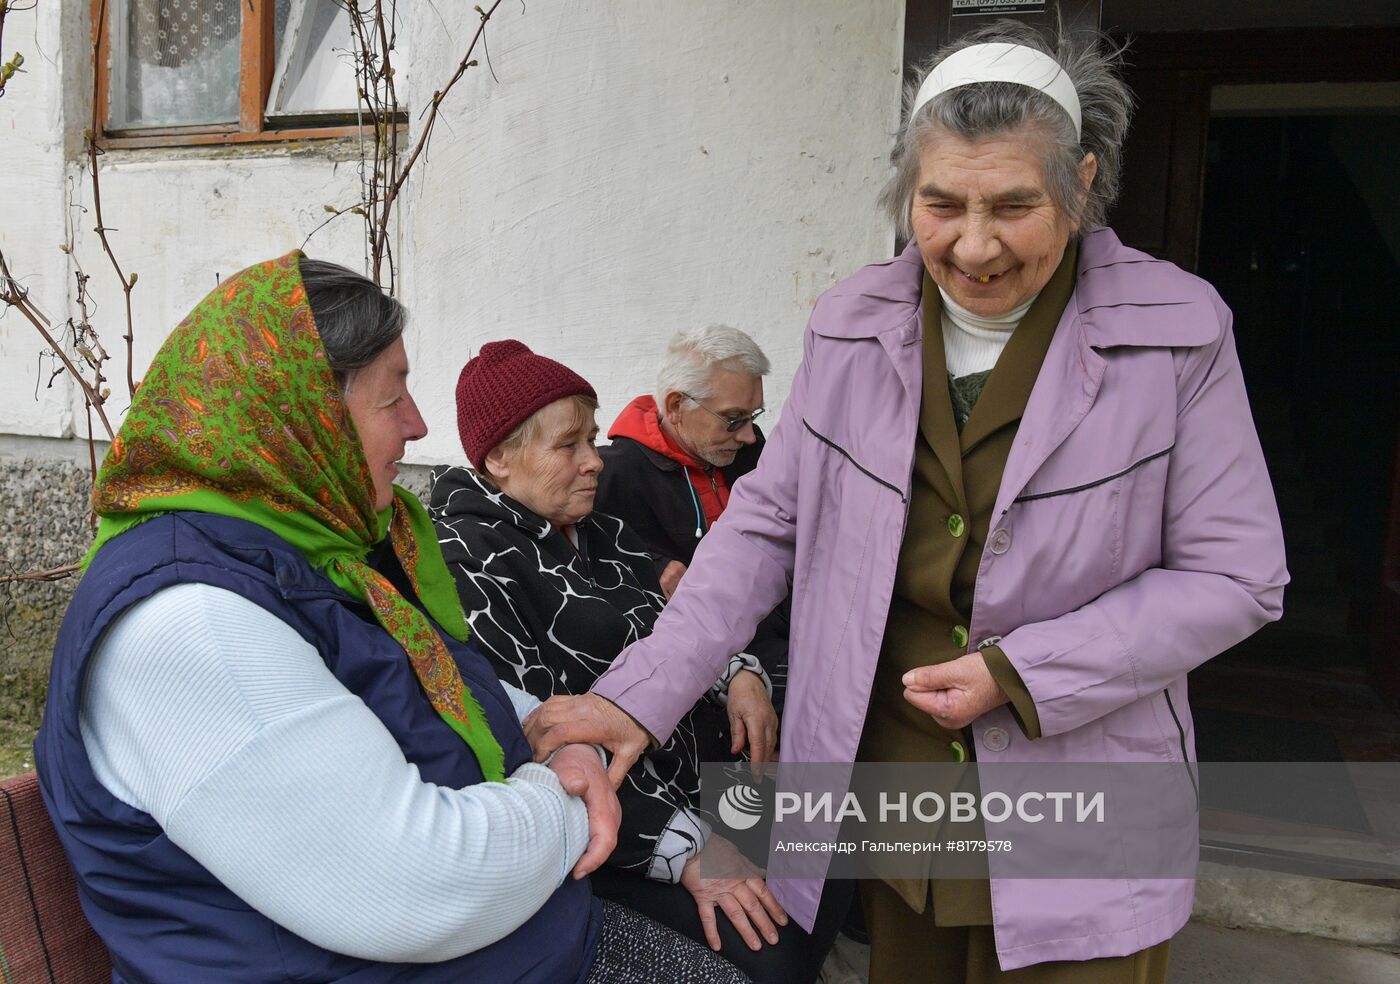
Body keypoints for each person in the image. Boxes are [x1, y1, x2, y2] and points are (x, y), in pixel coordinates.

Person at [526, 21, 1289, 984]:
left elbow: (1238, 576)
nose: (974, 245)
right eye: (941, 204)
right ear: (905, 193)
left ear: (1082, 183)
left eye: (1014, 204)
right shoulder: (852, 325)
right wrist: (637, 697)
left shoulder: (1176, 331)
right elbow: (765, 525)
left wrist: (1017, 672)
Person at [34, 254, 750, 983]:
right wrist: (634, 813)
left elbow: (517, 710)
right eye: (393, 397)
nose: (417, 424)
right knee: (815, 874)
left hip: (659, 822)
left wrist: (743, 673)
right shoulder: (198, 623)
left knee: (837, 850)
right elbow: (425, 871)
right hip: (642, 832)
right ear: (303, 416)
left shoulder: (345, 547)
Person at [430, 341, 844, 983]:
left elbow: (689, 621)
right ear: (498, 459)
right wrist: (687, 851)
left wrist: (741, 674)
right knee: (772, 950)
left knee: (840, 850)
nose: (595, 461)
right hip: (624, 831)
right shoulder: (467, 564)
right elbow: (548, 743)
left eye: (591, 438)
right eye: (569, 445)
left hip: (710, 781)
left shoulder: (600, 532)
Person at [596, 326, 791, 711]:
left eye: (753, 416)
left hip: (780, 633)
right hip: (699, 666)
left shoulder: (750, 451)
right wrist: (653, 567)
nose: (750, 436)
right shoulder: (614, 475)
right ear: (675, 407)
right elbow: (600, 570)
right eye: (733, 419)